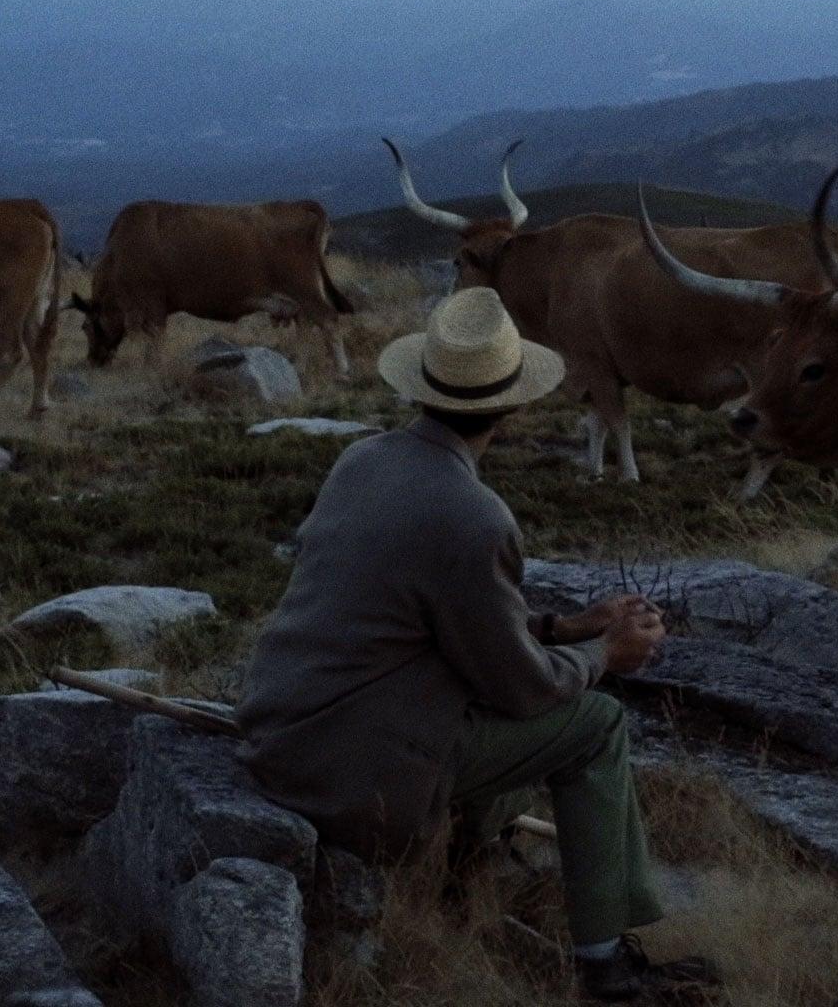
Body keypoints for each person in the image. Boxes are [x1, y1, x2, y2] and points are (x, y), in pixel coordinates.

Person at [237, 287, 717, 1002]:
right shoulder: (474, 515)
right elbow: (520, 687)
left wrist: (565, 627)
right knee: (592, 724)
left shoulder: (363, 461)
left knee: (529, 698)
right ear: (515, 406)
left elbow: (424, 625)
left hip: (282, 736)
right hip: (354, 775)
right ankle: (605, 963)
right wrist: (604, 657)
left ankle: (467, 885)